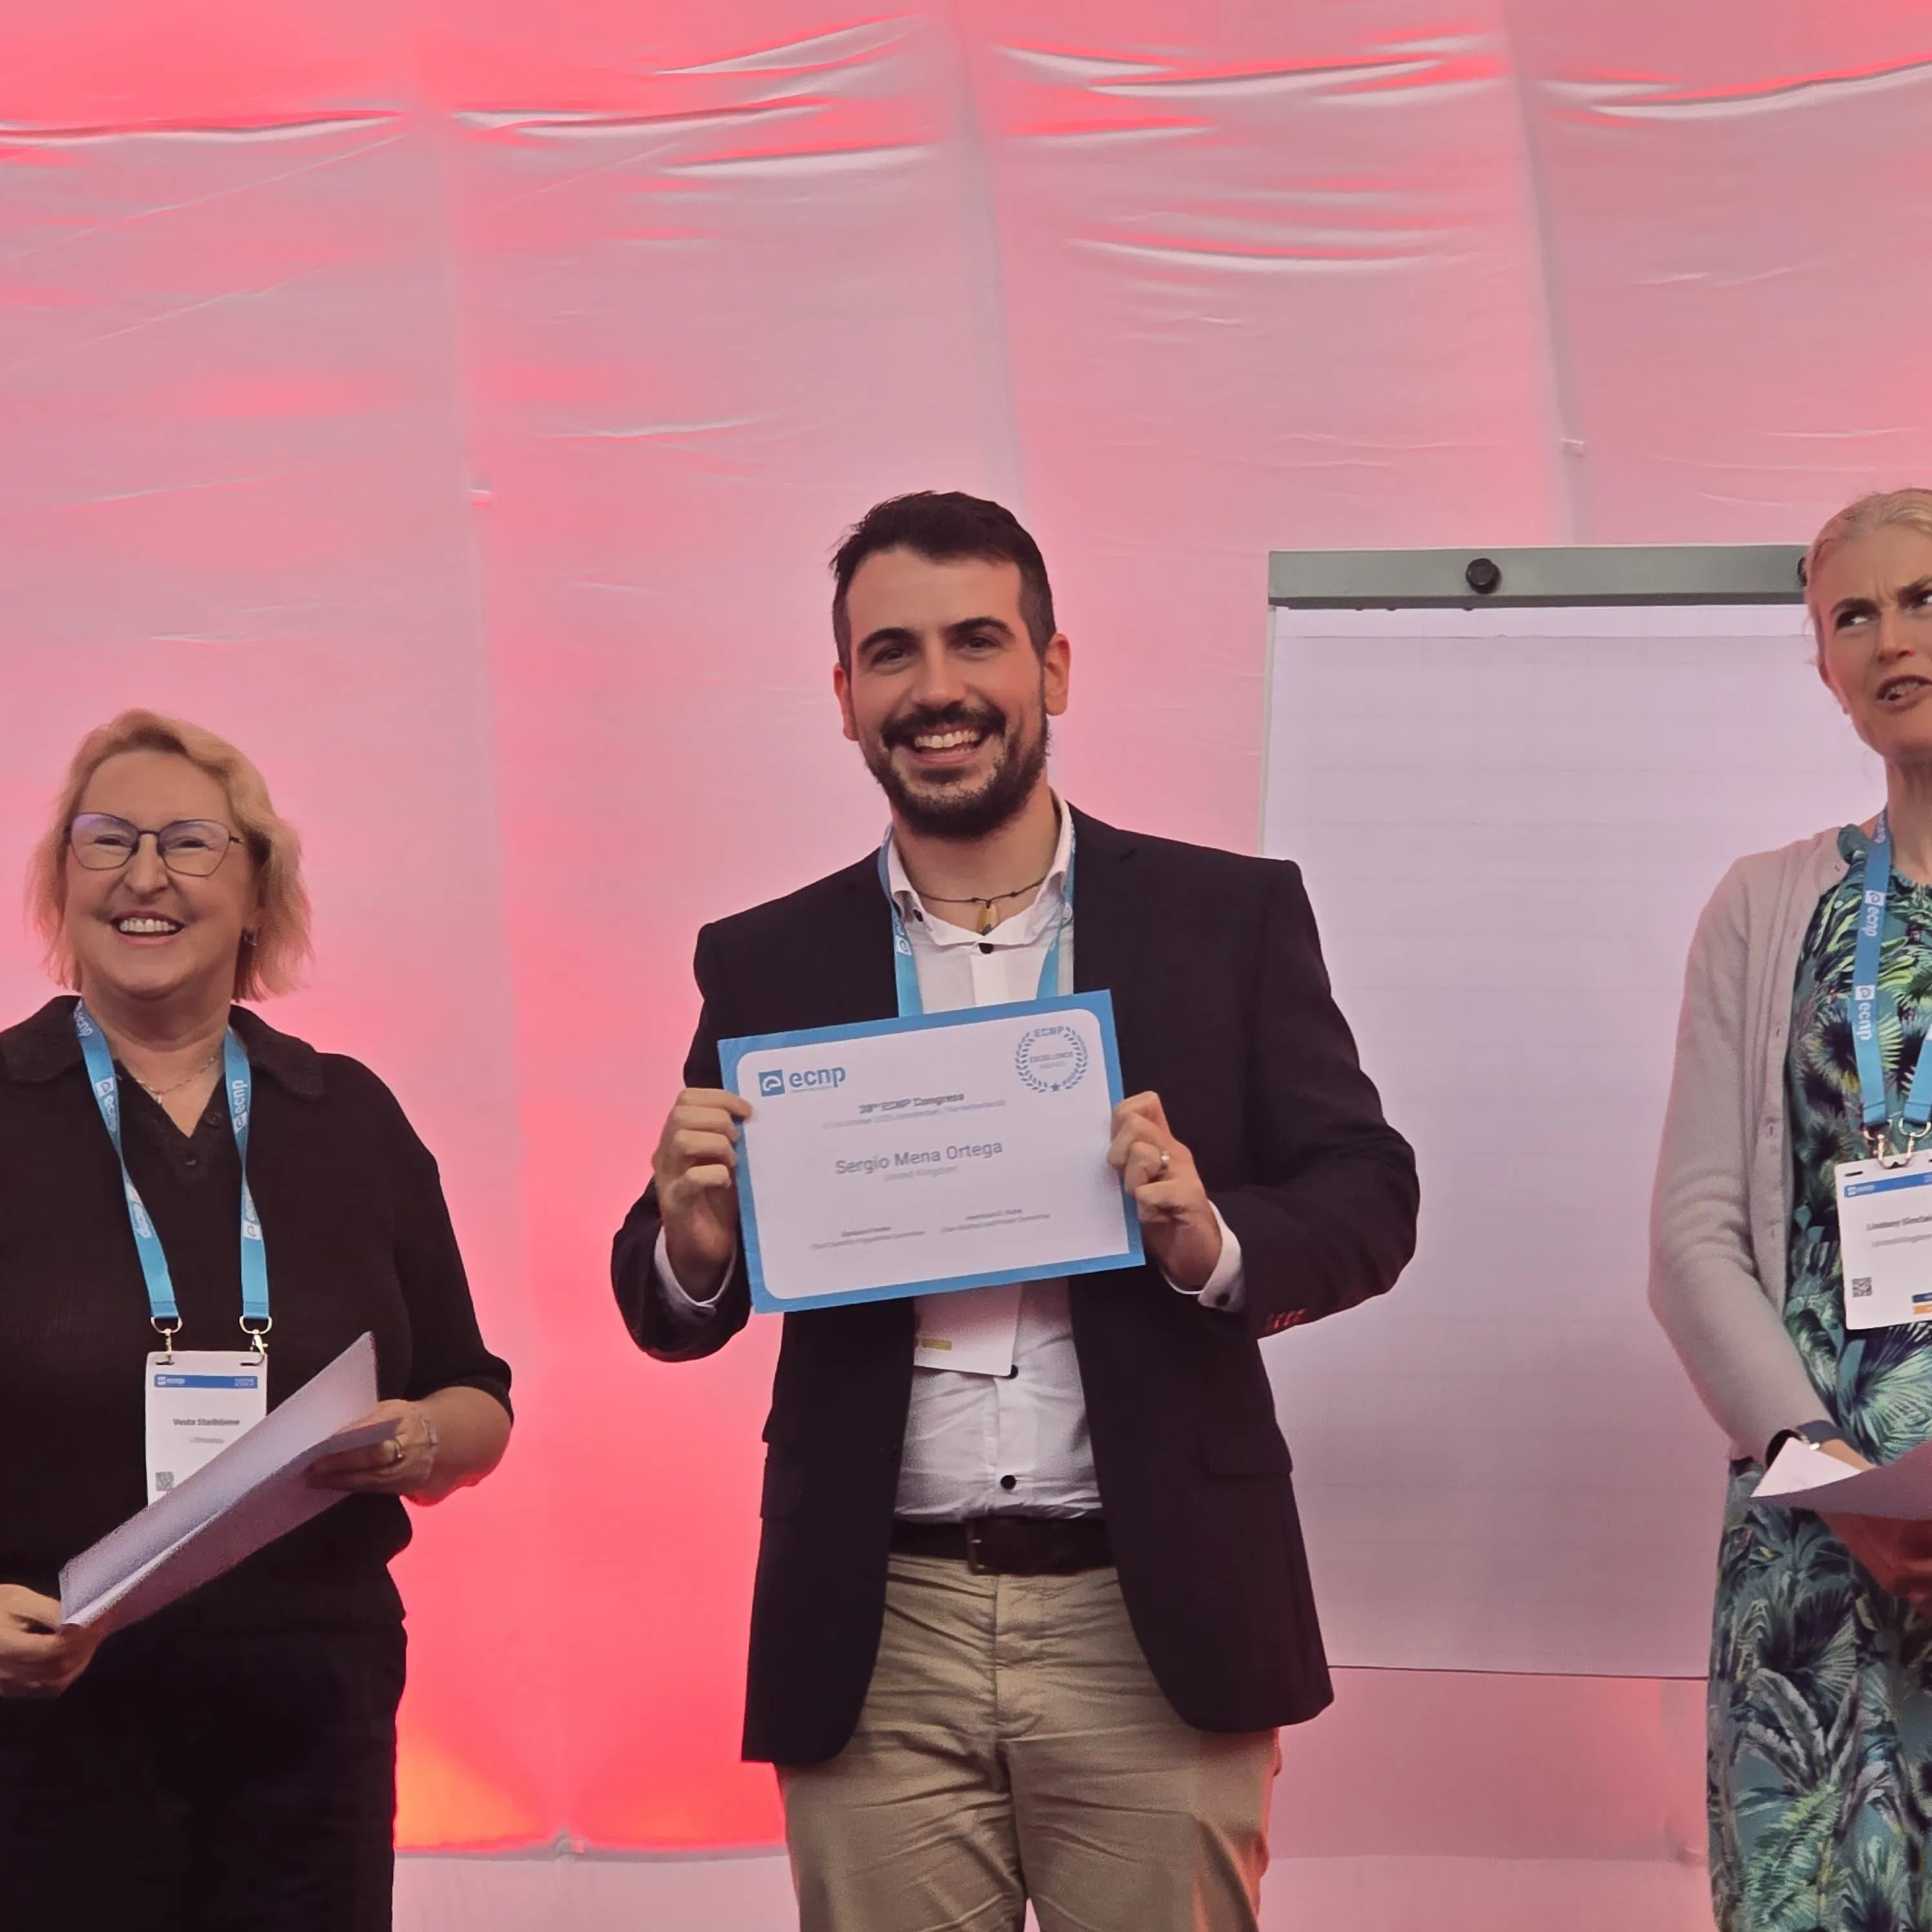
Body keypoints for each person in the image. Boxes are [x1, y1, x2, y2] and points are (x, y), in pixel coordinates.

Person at [613, 491, 1417, 1931]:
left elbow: (1366, 1194)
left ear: (1051, 666)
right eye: (891, 654)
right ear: (844, 694)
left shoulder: (1224, 915)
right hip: (877, 1621)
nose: (935, 690)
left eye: (975, 641)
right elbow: (671, 1287)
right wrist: (690, 1245)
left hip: (1151, 1606)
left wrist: (1208, 1239)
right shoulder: (766, 958)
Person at [0, 710, 513, 1931]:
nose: (141, 875)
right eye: (104, 839)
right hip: (44, 1739)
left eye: (187, 842)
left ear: (256, 890)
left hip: (310, 1737)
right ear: (60, 881)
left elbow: (475, 1394)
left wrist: (418, 1443)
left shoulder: (348, 1118)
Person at [1652, 487, 1932, 1929]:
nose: (1891, 639)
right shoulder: (1767, 906)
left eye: (1923, 598)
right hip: (1816, 1542)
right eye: (1851, 613)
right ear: (1819, 661)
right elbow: (1692, 1237)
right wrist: (1828, 1474)